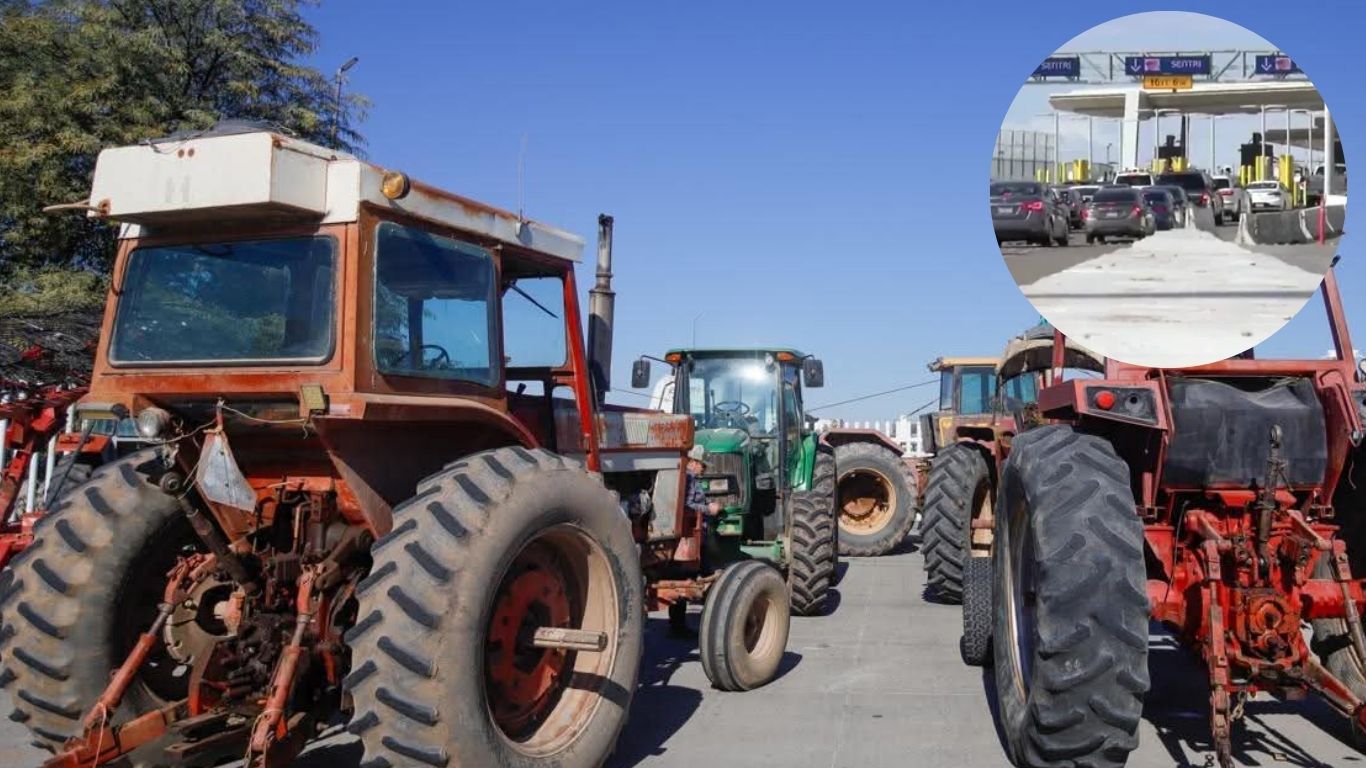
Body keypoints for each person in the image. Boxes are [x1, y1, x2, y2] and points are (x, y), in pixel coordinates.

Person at [669, 445, 720, 637]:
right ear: (693, 462)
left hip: (693, 537)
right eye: (703, 466)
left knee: (683, 579)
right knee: (702, 577)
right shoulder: (688, 478)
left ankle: (678, 627)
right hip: (692, 537)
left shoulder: (687, 478)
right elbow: (687, 505)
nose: (704, 470)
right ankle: (716, 624)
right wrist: (709, 509)